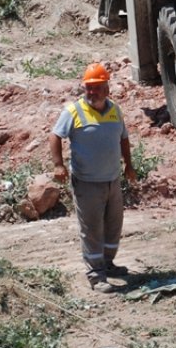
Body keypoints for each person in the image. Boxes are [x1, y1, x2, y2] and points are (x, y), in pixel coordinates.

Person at [49, 63, 138, 293]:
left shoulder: (115, 110)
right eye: (88, 88)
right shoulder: (73, 111)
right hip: (86, 182)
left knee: (113, 225)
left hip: (112, 180)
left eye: (97, 88)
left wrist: (129, 165)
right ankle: (95, 275)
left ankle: (107, 264)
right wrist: (58, 164)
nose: (92, 92)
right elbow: (55, 136)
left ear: (107, 88)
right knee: (91, 229)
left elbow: (124, 139)